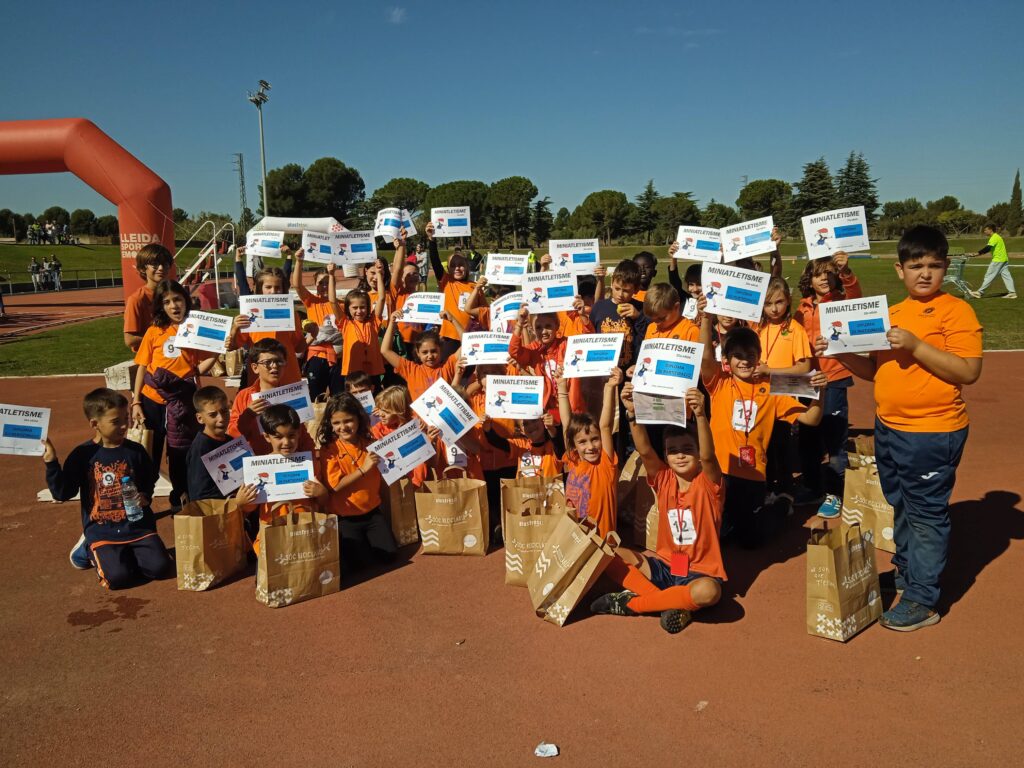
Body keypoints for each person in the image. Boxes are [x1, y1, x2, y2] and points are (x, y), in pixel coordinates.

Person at [815, 225, 983, 631]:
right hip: (889, 427)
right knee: (901, 504)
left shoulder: (956, 310)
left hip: (932, 431)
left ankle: (923, 598)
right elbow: (875, 370)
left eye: (934, 266)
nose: (925, 273)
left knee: (925, 513)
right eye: (916, 265)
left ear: (945, 267)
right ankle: (909, 572)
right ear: (899, 269)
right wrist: (839, 352)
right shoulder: (891, 313)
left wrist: (917, 346)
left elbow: (968, 371)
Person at [591, 386, 724, 634]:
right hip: (666, 567)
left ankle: (634, 604)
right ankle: (672, 603)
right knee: (605, 552)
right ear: (665, 456)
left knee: (710, 592)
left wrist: (701, 415)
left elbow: (709, 456)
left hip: (700, 574)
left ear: (697, 454)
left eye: (687, 449)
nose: (680, 455)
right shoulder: (664, 479)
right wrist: (632, 413)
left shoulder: (708, 484)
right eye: (673, 451)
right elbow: (644, 450)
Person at [699, 320, 824, 549]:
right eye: (737, 356)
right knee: (720, 536)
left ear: (759, 357)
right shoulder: (719, 383)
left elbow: (811, 419)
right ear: (726, 360)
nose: (745, 361)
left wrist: (820, 392)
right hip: (720, 471)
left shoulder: (772, 388)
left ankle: (781, 504)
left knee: (751, 541)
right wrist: (706, 317)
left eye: (750, 355)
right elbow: (705, 357)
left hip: (753, 474)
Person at [43, 388, 173, 587]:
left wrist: (145, 495)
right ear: (95, 424)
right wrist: (52, 463)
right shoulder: (82, 455)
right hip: (103, 530)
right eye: (116, 421)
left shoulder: (135, 451)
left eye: (126, 418)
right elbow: (62, 493)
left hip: (138, 527)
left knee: (160, 569)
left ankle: (124, 554)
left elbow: (150, 477)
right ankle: (87, 547)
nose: (124, 425)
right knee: (118, 578)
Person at [132, 279, 216, 506]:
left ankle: (180, 496)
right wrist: (136, 401)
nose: (173, 306)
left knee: (181, 452)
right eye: (167, 302)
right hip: (153, 400)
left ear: (185, 301)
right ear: (161, 306)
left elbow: (200, 366)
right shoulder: (154, 331)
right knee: (150, 450)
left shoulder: (194, 329)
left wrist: (216, 352)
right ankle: (144, 497)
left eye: (177, 299)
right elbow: (142, 366)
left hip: (183, 401)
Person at [793, 251, 860, 517]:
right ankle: (812, 487)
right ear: (809, 279)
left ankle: (835, 493)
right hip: (806, 381)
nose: (824, 279)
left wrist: (847, 272)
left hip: (833, 378)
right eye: (818, 274)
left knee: (834, 439)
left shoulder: (842, 301)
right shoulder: (801, 308)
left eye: (829, 274)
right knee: (808, 438)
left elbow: (856, 296)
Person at [317, 393, 397, 569]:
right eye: (337, 423)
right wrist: (363, 469)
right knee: (360, 566)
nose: (343, 427)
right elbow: (334, 486)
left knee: (390, 556)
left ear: (359, 419)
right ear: (330, 424)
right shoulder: (329, 450)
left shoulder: (371, 443)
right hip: (345, 518)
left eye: (348, 421)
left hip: (372, 512)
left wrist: (426, 438)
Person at [235, 405, 328, 556]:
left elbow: (323, 502)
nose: (286, 442)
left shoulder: (310, 464)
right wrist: (241, 502)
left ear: (299, 433)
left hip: (305, 533)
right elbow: (249, 507)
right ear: (267, 437)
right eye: (278, 437)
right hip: (272, 536)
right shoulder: (256, 468)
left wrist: (322, 492)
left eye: (291, 435)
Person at [756, 277, 812, 512]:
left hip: (784, 398)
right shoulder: (758, 328)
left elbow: (804, 367)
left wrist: (770, 370)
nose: (774, 309)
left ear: (788, 301)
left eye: (779, 302)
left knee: (782, 448)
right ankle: (768, 490)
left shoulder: (795, 329)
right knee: (763, 447)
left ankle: (787, 492)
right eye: (768, 304)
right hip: (760, 399)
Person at [556, 365, 621, 538]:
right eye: (582, 442)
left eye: (595, 439)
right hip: (576, 541)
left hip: (602, 545)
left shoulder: (605, 464)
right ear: (574, 445)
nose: (590, 446)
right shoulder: (573, 460)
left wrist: (609, 387)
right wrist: (562, 387)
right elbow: (566, 424)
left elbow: (605, 426)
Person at [228, 338, 315, 456]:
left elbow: (302, 435)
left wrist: (311, 461)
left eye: (279, 361)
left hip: (289, 462)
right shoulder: (244, 397)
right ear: (255, 368)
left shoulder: (293, 395)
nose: (274, 366)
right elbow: (233, 436)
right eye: (267, 362)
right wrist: (247, 416)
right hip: (257, 462)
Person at [228, 253, 305, 386]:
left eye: (277, 287)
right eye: (268, 287)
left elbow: (299, 347)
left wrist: (312, 334)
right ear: (260, 289)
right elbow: (233, 346)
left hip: (288, 376)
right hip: (260, 379)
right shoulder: (249, 313)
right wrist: (235, 328)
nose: (273, 291)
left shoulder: (291, 313)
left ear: (283, 289)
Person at [326, 262, 386, 388]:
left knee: (374, 397)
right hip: (353, 371)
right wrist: (331, 275)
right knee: (355, 398)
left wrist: (379, 274)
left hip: (372, 371)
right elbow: (332, 301)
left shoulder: (373, 321)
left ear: (368, 308)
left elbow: (381, 298)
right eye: (355, 308)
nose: (359, 311)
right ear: (348, 308)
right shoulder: (345, 323)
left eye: (362, 307)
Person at [380, 312, 462, 402]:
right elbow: (385, 350)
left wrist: (453, 320)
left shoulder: (448, 367)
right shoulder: (410, 370)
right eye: (425, 352)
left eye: (434, 351)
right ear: (418, 353)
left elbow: (468, 343)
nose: (430, 356)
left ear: (440, 350)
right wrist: (392, 323)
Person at [292, 250, 341, 398]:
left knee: (338, 397)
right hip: (316, 355)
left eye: (328, 282)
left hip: (338, 356)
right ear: (315, 285)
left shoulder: (341, 305)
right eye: (321, 283)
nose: (324, 286)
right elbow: (297, 285)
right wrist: (299, 261)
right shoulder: (311, 302)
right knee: (315, 397)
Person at [425, 222, 474, 361]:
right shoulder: (447, 282)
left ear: (467, 267)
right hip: (449, 336)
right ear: (449, 269)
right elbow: (435, 261)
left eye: (461, 265)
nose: (457, 268)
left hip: (470, 336)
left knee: (468, 371)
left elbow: (483, 312)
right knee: (448, 370)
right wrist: (431, 239)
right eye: (453, 265)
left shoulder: (475, 287)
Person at [186, 386, 234, 502]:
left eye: (224, 411)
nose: (221, 418)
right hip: (218, 511)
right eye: (213, 415)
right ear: (200, 418)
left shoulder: (231, 441)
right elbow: (200, 495)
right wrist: (236, 499)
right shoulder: (201, 449)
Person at [124, 244, 174, 352]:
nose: (161, 268)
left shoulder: (174, 294)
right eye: (155, 264)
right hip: (151, 358)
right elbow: (130, 340)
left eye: (165, 264)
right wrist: (163, 337)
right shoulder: (137, 299)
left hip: (175, 355)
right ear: (142, 268)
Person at [969, 223, 1016, 299]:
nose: (984, 231)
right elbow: (989, 248)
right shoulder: (996, 237)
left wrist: (976, 254)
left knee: (989, 275)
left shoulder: (994, 237)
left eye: (985, 230)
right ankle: (1012, 293)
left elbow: (988, 248)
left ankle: (979, 292)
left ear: (990, 230)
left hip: (998, 260)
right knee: (1007, 276)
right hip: (1003, 259)